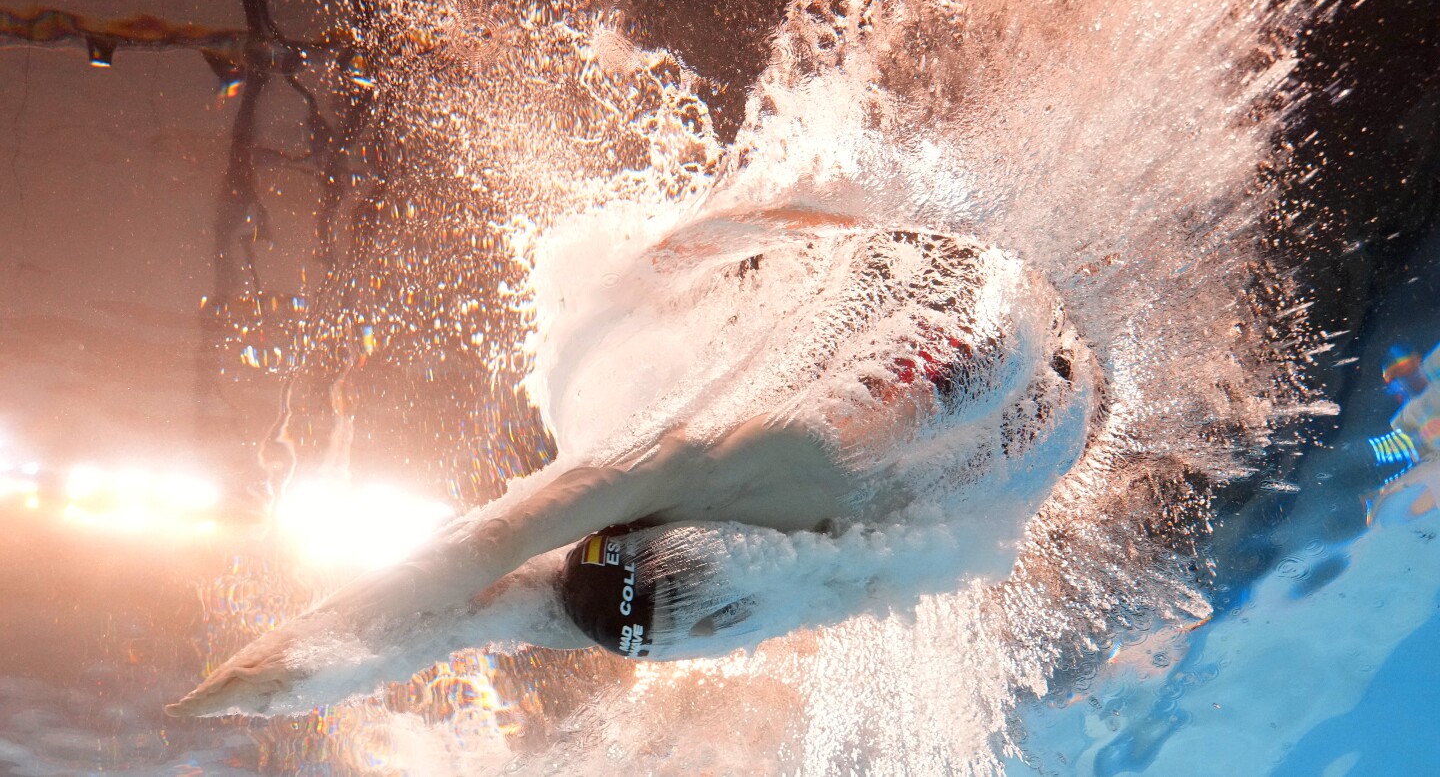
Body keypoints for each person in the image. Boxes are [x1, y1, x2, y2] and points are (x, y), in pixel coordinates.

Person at [166, 226, 1104, 716]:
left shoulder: (715, 467)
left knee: (930, 401)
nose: (729, 637)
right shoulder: (682, 576)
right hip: (989, 381)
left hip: (978, 341)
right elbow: (450, 611)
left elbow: (468, 556)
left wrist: (264, 677)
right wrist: (270, 681)